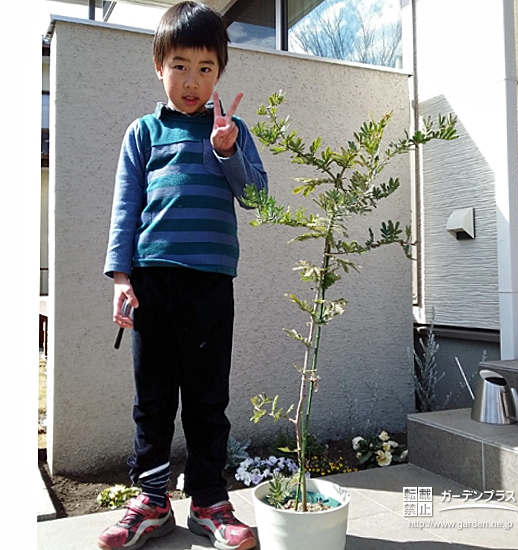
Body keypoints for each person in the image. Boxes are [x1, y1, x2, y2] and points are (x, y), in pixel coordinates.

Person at [99, 2, 267, 550]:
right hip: (151, 284)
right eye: (179, 66)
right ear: (158, 66)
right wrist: (121, 279)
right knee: (151, 399)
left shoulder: (232, 131)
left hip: (211, 284)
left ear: (220, 72)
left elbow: (258, 195)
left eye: (204, 68)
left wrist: (228, 152)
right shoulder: (142, 133)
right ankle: (149, 501)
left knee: (205, 398)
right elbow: (126, 209)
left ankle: (209, 503)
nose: (191, 81)